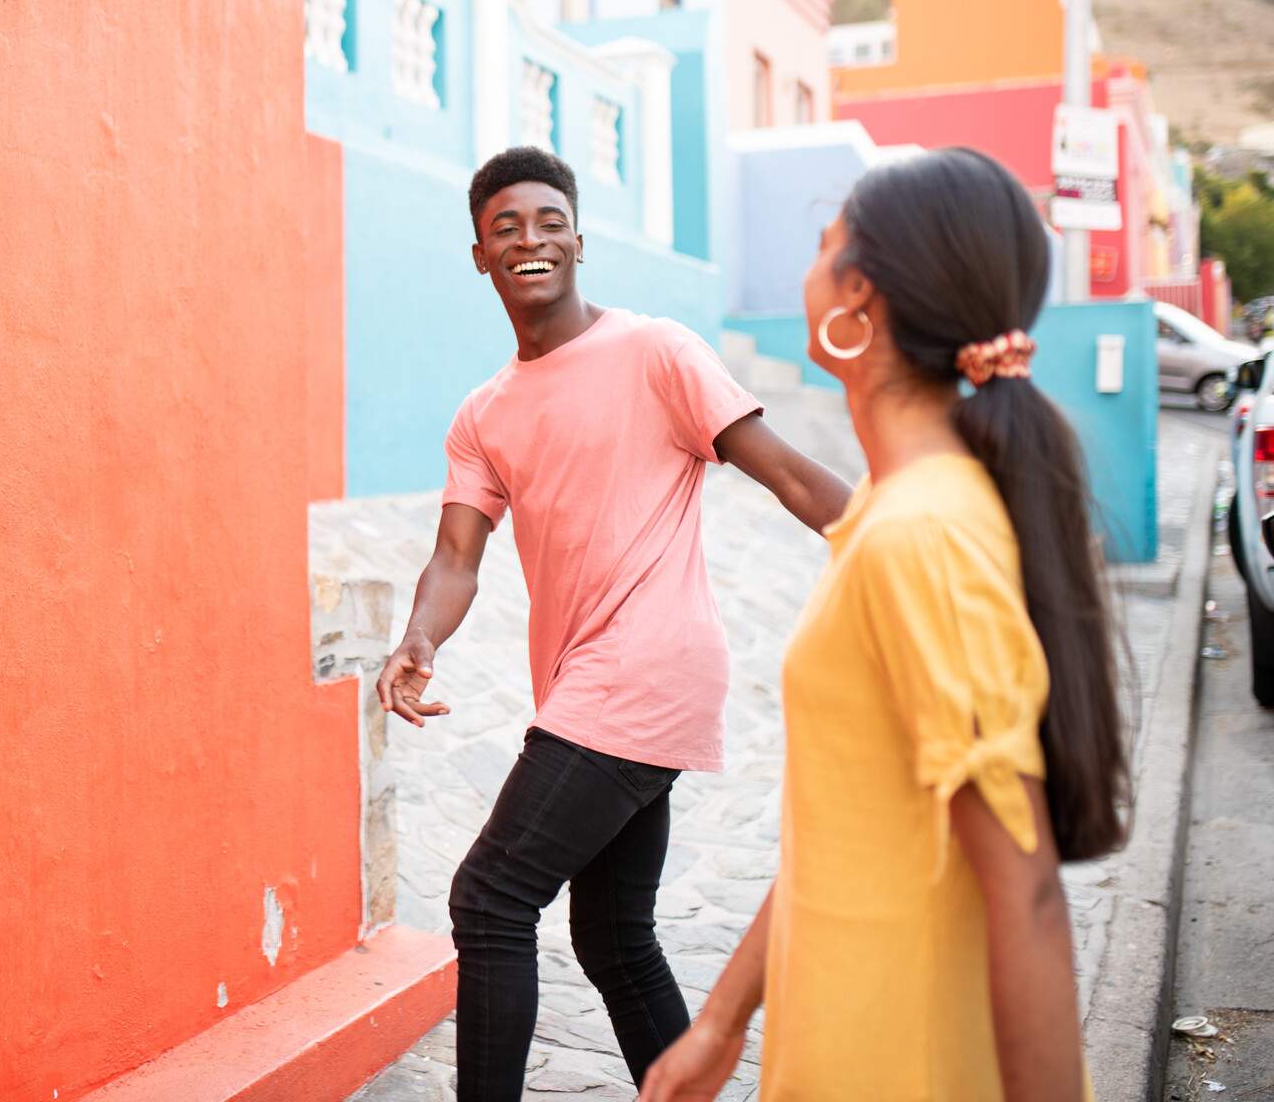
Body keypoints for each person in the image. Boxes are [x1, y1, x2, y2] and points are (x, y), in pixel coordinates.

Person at [643, 147, 1129, 1102]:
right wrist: (721, 1022)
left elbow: (1026, 894)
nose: (806, 269)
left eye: (824, 248)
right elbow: (844, 823)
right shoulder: (884, 511)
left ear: (857, 297)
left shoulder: (922, 536)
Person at [375, 146, 854, 1100]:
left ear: (580, 241)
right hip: (595, 682)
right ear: (480, 255)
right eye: (506, 226)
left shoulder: (655, 352)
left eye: (549, 221)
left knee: (490, 899)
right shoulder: (483, 414)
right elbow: (456, 560)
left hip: (644, 670)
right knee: (612, 935)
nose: (530, 239)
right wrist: (419, 638)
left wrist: (906, 550)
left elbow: (791, 473)